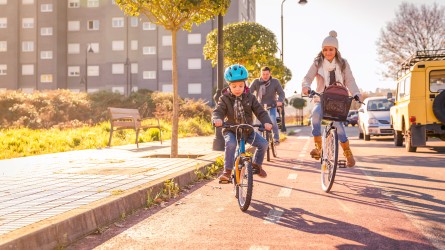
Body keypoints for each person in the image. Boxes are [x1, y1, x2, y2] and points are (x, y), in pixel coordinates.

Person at [301, 30, 361, 167]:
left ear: (336, 50)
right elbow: (307, 78)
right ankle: (318, 147)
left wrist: (356, 93)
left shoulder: (343, 63)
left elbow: (350, 80)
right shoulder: (317, 63)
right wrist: (306, 86)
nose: (328, 52)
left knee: (339, 126)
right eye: (325, 49)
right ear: (322, 50)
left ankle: (348, 154)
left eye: (331, 49)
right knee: (315, 116)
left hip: (339, 100)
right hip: (321, 98)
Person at [213, 64, 273, 181]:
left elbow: (260, 111)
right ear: (229, 86)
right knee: (231, 144)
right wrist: (217, 119)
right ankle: (227, 172)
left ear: (245, 84)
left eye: (240, 86)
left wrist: (266, 122)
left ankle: (256, 165)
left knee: (264, 144)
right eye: (234, 86)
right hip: (231, 130)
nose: (237, 89)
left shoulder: (250, 97)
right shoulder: (224, 99)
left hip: (247, 131)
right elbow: (218, 111)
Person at [249, 66, 285, 145]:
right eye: (263, 74)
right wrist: (249, 101)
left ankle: (276, 138)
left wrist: (279, 101)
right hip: (259, 107)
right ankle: (259, 142)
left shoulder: (275, 82)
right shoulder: (256, 82)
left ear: (270, 74)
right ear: (261, 74)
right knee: (258, 125)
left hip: (272, 105)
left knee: (273, 120)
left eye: (267, 74)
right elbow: (249, 92)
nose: (265, 76)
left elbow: (281, 93)